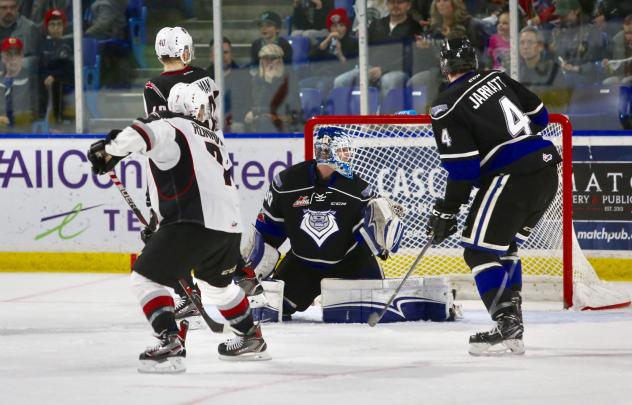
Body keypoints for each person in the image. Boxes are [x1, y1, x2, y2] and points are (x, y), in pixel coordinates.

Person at [87, 82, 271, 373]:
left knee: (144, 279)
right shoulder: (212, 136)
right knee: (218, 287)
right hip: (227, 229)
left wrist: (109, 151)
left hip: (192, 224)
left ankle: (170, 343)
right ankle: (251, 337)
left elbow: (142, 131)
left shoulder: (171, 126)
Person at [426, 37, 561, 356]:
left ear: (444, 66)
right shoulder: (497, 77)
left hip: (513, 177)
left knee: (478, 252)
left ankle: (507, 327)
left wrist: (447, 211)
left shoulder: (445, 105)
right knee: (503, 245)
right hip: (546, 171)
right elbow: (541, 118)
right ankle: (512, 320)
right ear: (472, 60)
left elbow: (464, 169)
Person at [235, 126, 404, 318]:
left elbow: (370, 241)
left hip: (349, 264)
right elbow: (268, 234)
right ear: (325, 151)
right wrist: (248, 269)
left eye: (347, 150)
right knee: (268, 312)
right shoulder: (287, 183)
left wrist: (384, 235)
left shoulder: (358, 189)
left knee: (380, 312)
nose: (347, 155)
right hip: (302, 266)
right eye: (341, 150)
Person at [142, 26, 216, 324]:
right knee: (215, 225)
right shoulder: (204, 75)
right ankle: (242, 274)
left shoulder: (154, 86)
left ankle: (187, 294)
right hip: (211, 159)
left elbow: (159, 130)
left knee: (161, 234)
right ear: (185, 50)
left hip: (177, 170)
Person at [244, 43, 302, 132]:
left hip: (285, 118)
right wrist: (268, 81)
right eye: (266, 58)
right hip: (262, 118)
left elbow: (289, 104)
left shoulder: (289, 77)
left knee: (267, 122)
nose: (269, 62)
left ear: (280, 60)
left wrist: (272, 81)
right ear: (261, 61)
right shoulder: (257, 78)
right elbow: (257, 102)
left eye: (273, 58)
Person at [207, 36, 250, 132]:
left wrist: (229, 118)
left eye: (225, 52)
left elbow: (247, 104)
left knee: (237, 127)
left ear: (232, 55)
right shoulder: (203, 79)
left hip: (236, 122)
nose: (222, 56)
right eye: (218, 53)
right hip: (211, 122)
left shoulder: (243, 76)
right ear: (211, 56)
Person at [0, 36, 43, 128]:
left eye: (16, 54)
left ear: (22, 56)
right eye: (9, 54)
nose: (13, 58)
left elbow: (37, 110)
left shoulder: (33, 81)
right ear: (3, 57)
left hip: (25, 132)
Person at [40, 8, 73, 123]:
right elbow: (40, 65)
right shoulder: (43, 44)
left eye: (59, 25)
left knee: (57, 85)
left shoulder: (68, 43)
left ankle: (59, 117)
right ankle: (41, 116)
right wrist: (45, 76)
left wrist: (54, 76)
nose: (56, 28)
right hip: (47, 78)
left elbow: (68, 67)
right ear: (47, 27)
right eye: (52, 25)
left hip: (64, 78)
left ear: (64, 26)